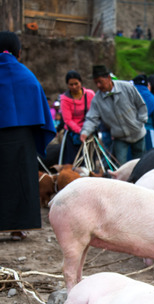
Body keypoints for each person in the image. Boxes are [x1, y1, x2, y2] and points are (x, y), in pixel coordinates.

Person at [0, 31, 56, 240]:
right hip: (22, 139)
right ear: (19, 53)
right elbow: (41, 113)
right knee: (20, 179)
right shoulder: (27, 75)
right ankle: (17, 229)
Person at [80, 65, 148, 165]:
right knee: (119, 165)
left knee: (140, 163)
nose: (98, 85)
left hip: (137, 132)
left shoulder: (127, 87)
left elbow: (141, 105)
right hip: (119, 137)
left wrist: (141, 121)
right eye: (96, 83)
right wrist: (85, 132)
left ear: (108, 78)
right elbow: (91, 118)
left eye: (100, 82)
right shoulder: (97, 100)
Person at [60, 70, 95, 164]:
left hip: (90, 132)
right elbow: (68, 120)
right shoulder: (64, 99)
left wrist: (87, 130)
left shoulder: (90, 94)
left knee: (90, 161)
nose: (74, 87)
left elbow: (95, 112)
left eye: (76, 83)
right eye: (71, 84)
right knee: (73, 162)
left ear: (81, 82)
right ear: (67, 85)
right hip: (73, 134)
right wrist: (81, 131)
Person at [132, 74, 154, 150]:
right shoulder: (151, 97)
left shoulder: (130, 94)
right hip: (149, 130)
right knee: (150, 155)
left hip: (131, 131)